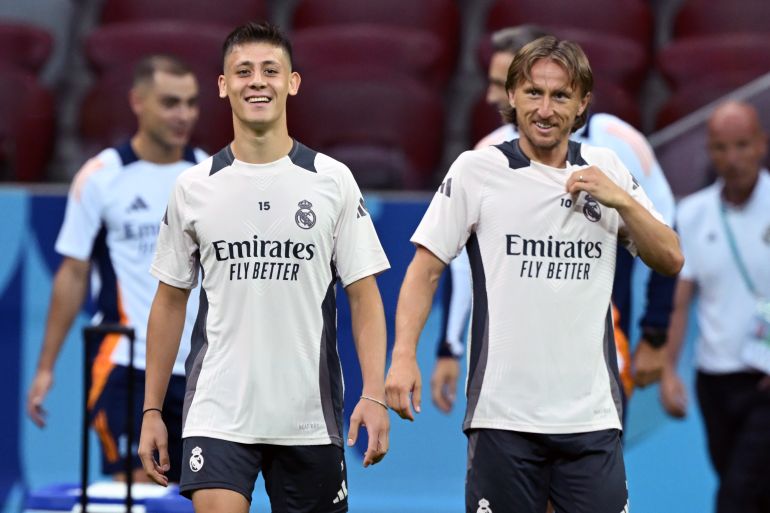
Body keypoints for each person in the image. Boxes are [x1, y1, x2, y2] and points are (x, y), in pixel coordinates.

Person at [385, 36, 683, 513]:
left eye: (560, 95)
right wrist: (403, 356)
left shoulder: (607, 168)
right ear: (512, 95)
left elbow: (670, 257)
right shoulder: (477, 170)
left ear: (582, 103)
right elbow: (426, 269)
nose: (545, 110)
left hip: (591, 419)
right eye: (533, 93)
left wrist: (622, 200)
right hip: (503, 418)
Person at [138, 22, 390, 513]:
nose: (257, 81)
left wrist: (374, 393)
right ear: (222, 85)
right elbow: (169, 301)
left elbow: (364, 296)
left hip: (309, 416)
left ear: (292, 82)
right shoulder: (193, 187)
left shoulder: (333, 180)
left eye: (270, 71)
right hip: (218, 412)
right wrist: (152, 410)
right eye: (243, 71)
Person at [432, 25, 676, 414]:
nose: (493, 95)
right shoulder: (484, 157)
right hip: (512, 364)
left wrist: (655, 332)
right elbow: (459, 261)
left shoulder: (619, 146)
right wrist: (449, 346)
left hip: (603, 349)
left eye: (500, 82)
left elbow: (665, 233)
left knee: (602, 445)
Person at [26, 55, 204, 483]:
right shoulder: (101, 177)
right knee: (137, 488)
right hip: (124, 361)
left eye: (191, 103)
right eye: (170, 102)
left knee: (202, 497)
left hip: (201, 369)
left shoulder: (210, 176)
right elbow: (73, 273)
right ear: (137, 102)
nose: (183, 114)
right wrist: (46, 367)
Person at [660, 100, 770, 513]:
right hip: (714, 381)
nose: (733, 158)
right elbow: (680, 301)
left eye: (742, 145)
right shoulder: (691, 214)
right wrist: (668, 370)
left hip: (765, 382)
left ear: (761, 144)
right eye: (721, 147)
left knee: (735, 499)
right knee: (743, 487)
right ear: (709, 151)